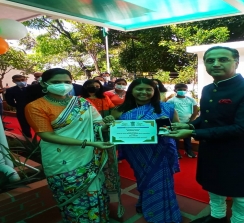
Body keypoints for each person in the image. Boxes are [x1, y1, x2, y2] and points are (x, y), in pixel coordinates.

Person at [165, 46, 244, 223]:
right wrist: (189, 123)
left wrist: (193, 132)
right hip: (211, 149)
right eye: (210, 60)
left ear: (236, 62)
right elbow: (207, 117)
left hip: (239, 152)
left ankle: (238, 220)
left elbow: (243, 127)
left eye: (223, 59)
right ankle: (217, 217)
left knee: (241, 191)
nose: (216, 64)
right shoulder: (207, 89)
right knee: (213, 185)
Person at [24, 68, 121, 222]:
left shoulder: (82, 102)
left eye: (67, 82)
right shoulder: (36, 106)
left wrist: (106, 124)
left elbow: (98, 124)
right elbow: (46, 135)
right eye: (56, 82)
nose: (63, 85)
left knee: (96, 188)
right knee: (71, 195)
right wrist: (88, 142)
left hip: (89, 155)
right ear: (44, 83)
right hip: (61, 158)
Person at [103, 78, 182, 223]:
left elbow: (178, 128)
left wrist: (168, 127)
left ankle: (161, 214)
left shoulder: (167, 108)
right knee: (144, 179)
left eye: (148, 89)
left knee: (160, 181)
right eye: (139, 89)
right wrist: (108, 124)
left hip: (161, 152)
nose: (143, 92)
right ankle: (145, 202)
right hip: (137, 155)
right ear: (131, 91)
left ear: (155, 92)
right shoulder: (119, 110)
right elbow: (111, 132)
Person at [167, 83, 199, 158]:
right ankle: (176, 152)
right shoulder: (171, 101)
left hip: (187, 122)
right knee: (176, 138)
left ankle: (188, 151)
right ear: (175, 90)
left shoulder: (191, 100)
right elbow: (169, 111)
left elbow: (195, 111)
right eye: (180, 90)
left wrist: (191, 121)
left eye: (184, 90)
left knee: (187, 137)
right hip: (176, 123)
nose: (182, 91)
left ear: (187, 90)